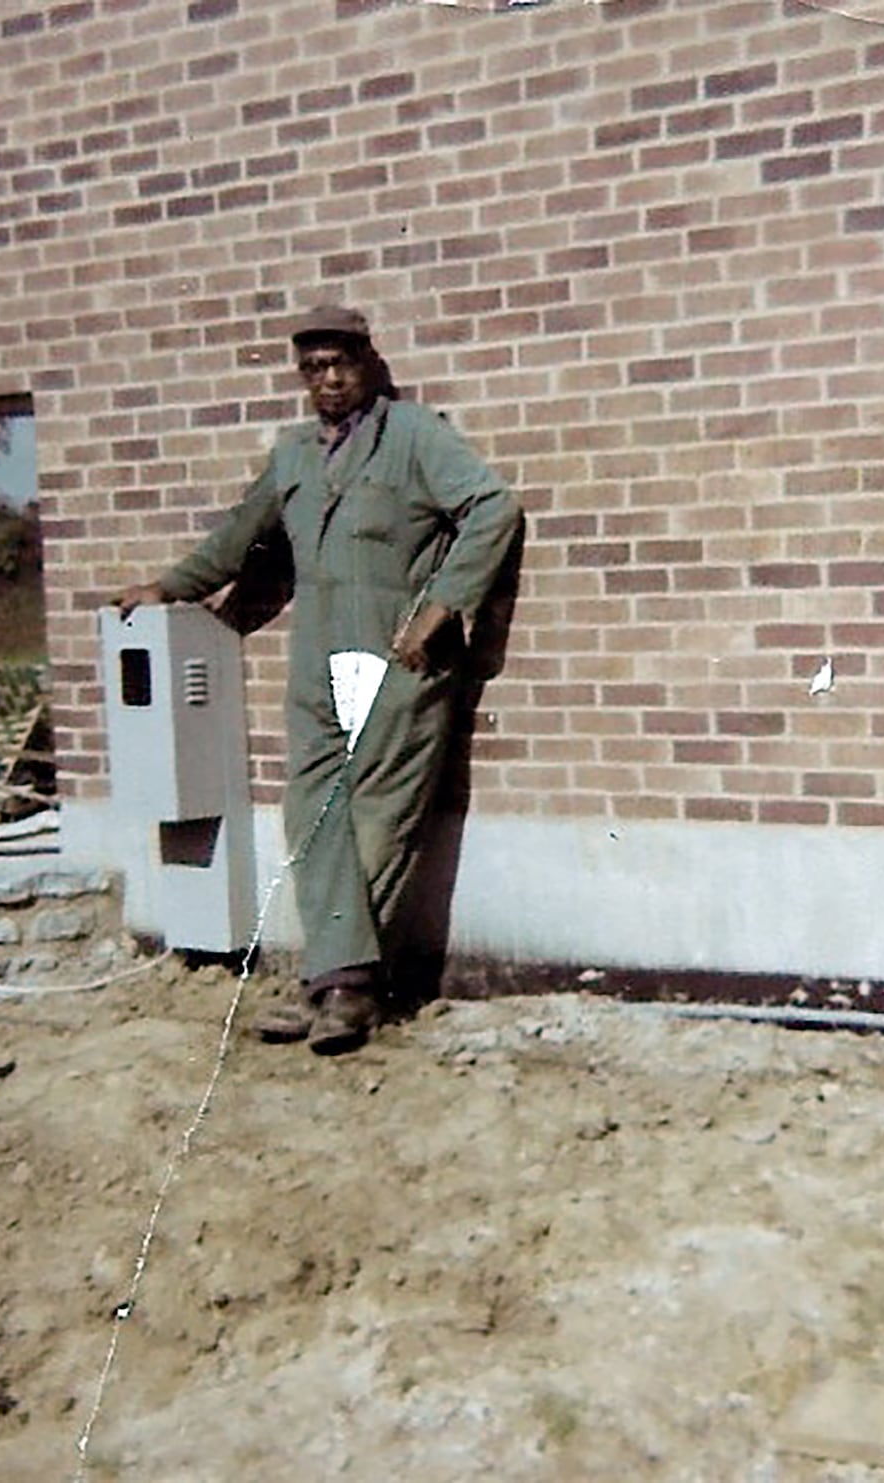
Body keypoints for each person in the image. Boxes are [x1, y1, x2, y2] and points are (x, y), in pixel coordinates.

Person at [116, 305, 522, 1054]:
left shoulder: (413, 436)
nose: (328, 379)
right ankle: (340, 981)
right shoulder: (295, 455)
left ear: (367, 364)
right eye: (313, 368)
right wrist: (168, 587)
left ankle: (344, 991)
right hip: (317, 662)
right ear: (301, 377)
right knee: (312, 816)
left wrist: (440, 609)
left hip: (401, 659)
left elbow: (493, 507)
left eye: (341, 364)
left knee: (379, 821)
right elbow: (238, 538)